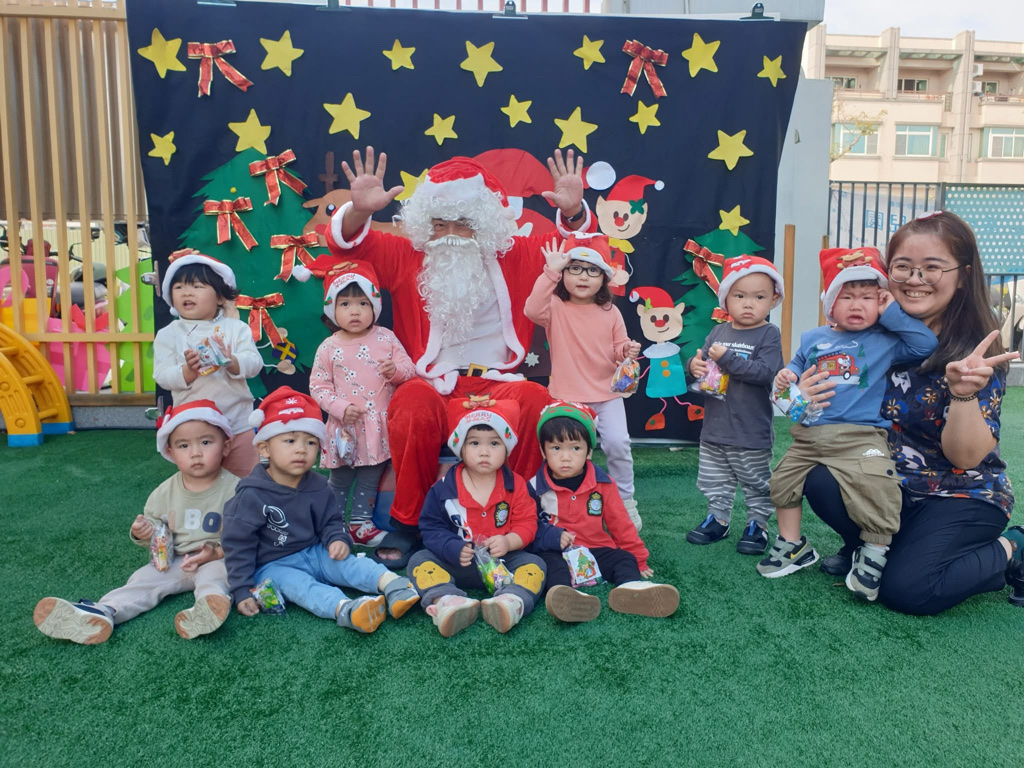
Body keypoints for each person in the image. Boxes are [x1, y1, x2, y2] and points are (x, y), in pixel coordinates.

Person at [311, 147, 593, 567]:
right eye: (439, 224)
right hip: (432, 382)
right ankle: (409, 523)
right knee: (410, 404)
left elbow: (577, 252)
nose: (449, 234)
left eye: (462, 223)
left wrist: (573, 213)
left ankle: (523, 517)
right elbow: (348, 246)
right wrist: (359, 210)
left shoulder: (516, 255)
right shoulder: (409, 256)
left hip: (499, 382)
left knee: (537, 402)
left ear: (485, 224)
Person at [799, 213, 1022, 614]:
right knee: (820, 477)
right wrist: (802, 395)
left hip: (960, 493)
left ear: (962, 275)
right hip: (889, 483)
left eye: (932, 267)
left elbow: (966, 457)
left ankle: (1014, 547)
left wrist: (963, 395)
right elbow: (821, 409)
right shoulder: (867, 337)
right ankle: (867, 547)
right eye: (903, 266)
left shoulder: (974, 353)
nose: (915, 279)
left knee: (909, 590)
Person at [756, 247, 939, 602]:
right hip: (809, 435)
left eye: (868, 297)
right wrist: (788, 376)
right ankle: (793, 545)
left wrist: (892, 313)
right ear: (830, 304)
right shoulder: (813, 338)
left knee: (877, 487)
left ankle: (874, 553)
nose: (857, 305)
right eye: (847, 296)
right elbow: (796, 365)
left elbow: (925, 344)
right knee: (781, 482)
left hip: (861, 436)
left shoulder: (885, 341)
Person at [33, 401, 239, 644]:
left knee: (216, 577)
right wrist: (144, 532)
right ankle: (105, 611)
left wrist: (217, 552)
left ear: (225, 446)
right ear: (171, 453)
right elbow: (155, 527)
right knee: (142, 581)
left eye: (205, 442)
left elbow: (247, 533)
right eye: (183, 446)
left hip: (216, 558)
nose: (195, 453)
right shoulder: (164, 492)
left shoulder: (237, 489)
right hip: (174, 560)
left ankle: (208, 607)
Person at [220, 386, 419, 634]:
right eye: (290, 440)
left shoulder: (318, 485)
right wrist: (241, 590)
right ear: (264, 448)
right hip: (273, 565)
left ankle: (395, 585)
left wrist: (337, 539)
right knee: (299, 586)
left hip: (315, 551)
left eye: (311, 441)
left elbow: (332, 521)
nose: (301, 449)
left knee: (348, 564)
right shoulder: (251, 495)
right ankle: (346, 609)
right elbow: (237, 545)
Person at [523, 234, 644, 530]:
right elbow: (531, 310)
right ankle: (562, 502)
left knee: (618, 444)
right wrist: (550, 271)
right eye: (575, 268)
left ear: (603, 279)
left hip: (607, 394)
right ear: (563, 274)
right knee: (565, 452)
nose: (583, 276)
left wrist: (627, 350)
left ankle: (625, 501)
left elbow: (618, 348)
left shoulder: (611, 311)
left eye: (592, 270)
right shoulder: (555, 306)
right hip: (567, 397)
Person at [527, 401, 679, 623]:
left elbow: (620, 523)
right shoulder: (534, 487)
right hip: (557, 552)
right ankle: (567, 598)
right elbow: (528, 525)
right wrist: (553, 537)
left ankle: (631, 589)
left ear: (589, 451)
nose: (566, 457)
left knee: (624, 559)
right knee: (549, 566)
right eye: (556, 448)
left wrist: (639, 558)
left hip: (596, 550)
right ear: (543, 450)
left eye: (575, 448)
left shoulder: (603, 484)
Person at [408, 400, 548, 637]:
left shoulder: (517, 485)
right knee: (419, 560)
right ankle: (448, 601)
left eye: (494, 443)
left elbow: (527, 523)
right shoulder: (443, 488)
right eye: (474, 443)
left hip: (503, 563)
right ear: (460, 449)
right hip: (458, 562)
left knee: (536, 565)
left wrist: (509, 541)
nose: (484, 452)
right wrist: (451, 547)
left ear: (507, 449)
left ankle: (510, 602)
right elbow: (430, 527)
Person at [308, 262, 416, 547]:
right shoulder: (329, 347)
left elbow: (409, 368)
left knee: (370, 478)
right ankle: (331, 525)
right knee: (340, 480)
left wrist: (396, 371)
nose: (354, 311)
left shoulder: (385, 338)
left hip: (377, 429)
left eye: (362, 303)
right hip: (345, 428)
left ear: (375, 307)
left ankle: (360, 524)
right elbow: (318, 386)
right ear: (332, 310)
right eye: (345, 304)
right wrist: (340, 408)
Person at [684, 255, 785, 555]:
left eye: (759, 297)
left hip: (750, 431)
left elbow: (764, 373)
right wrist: (694, 366)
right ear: (725, 299)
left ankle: (758, 524)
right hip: (715, 428)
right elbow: (703, 362)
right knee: (714, 479)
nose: (748, 304)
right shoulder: (719, 331)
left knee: (756, 482)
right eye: (739, 296)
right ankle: (718, 519)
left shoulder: (769, 333)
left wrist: (727, 358)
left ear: (774, 300)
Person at [153, 252, 263, 477]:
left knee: (245, 479)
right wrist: (187, 371)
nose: (187, 292)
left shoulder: (236, 328)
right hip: (194, 429)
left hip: (238, 423)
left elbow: (254, 364)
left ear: (221, 297)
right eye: (179, 287)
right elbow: (162, 375)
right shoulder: (168, 334)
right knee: (201, 481)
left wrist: (232, 361)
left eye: (197, 286)